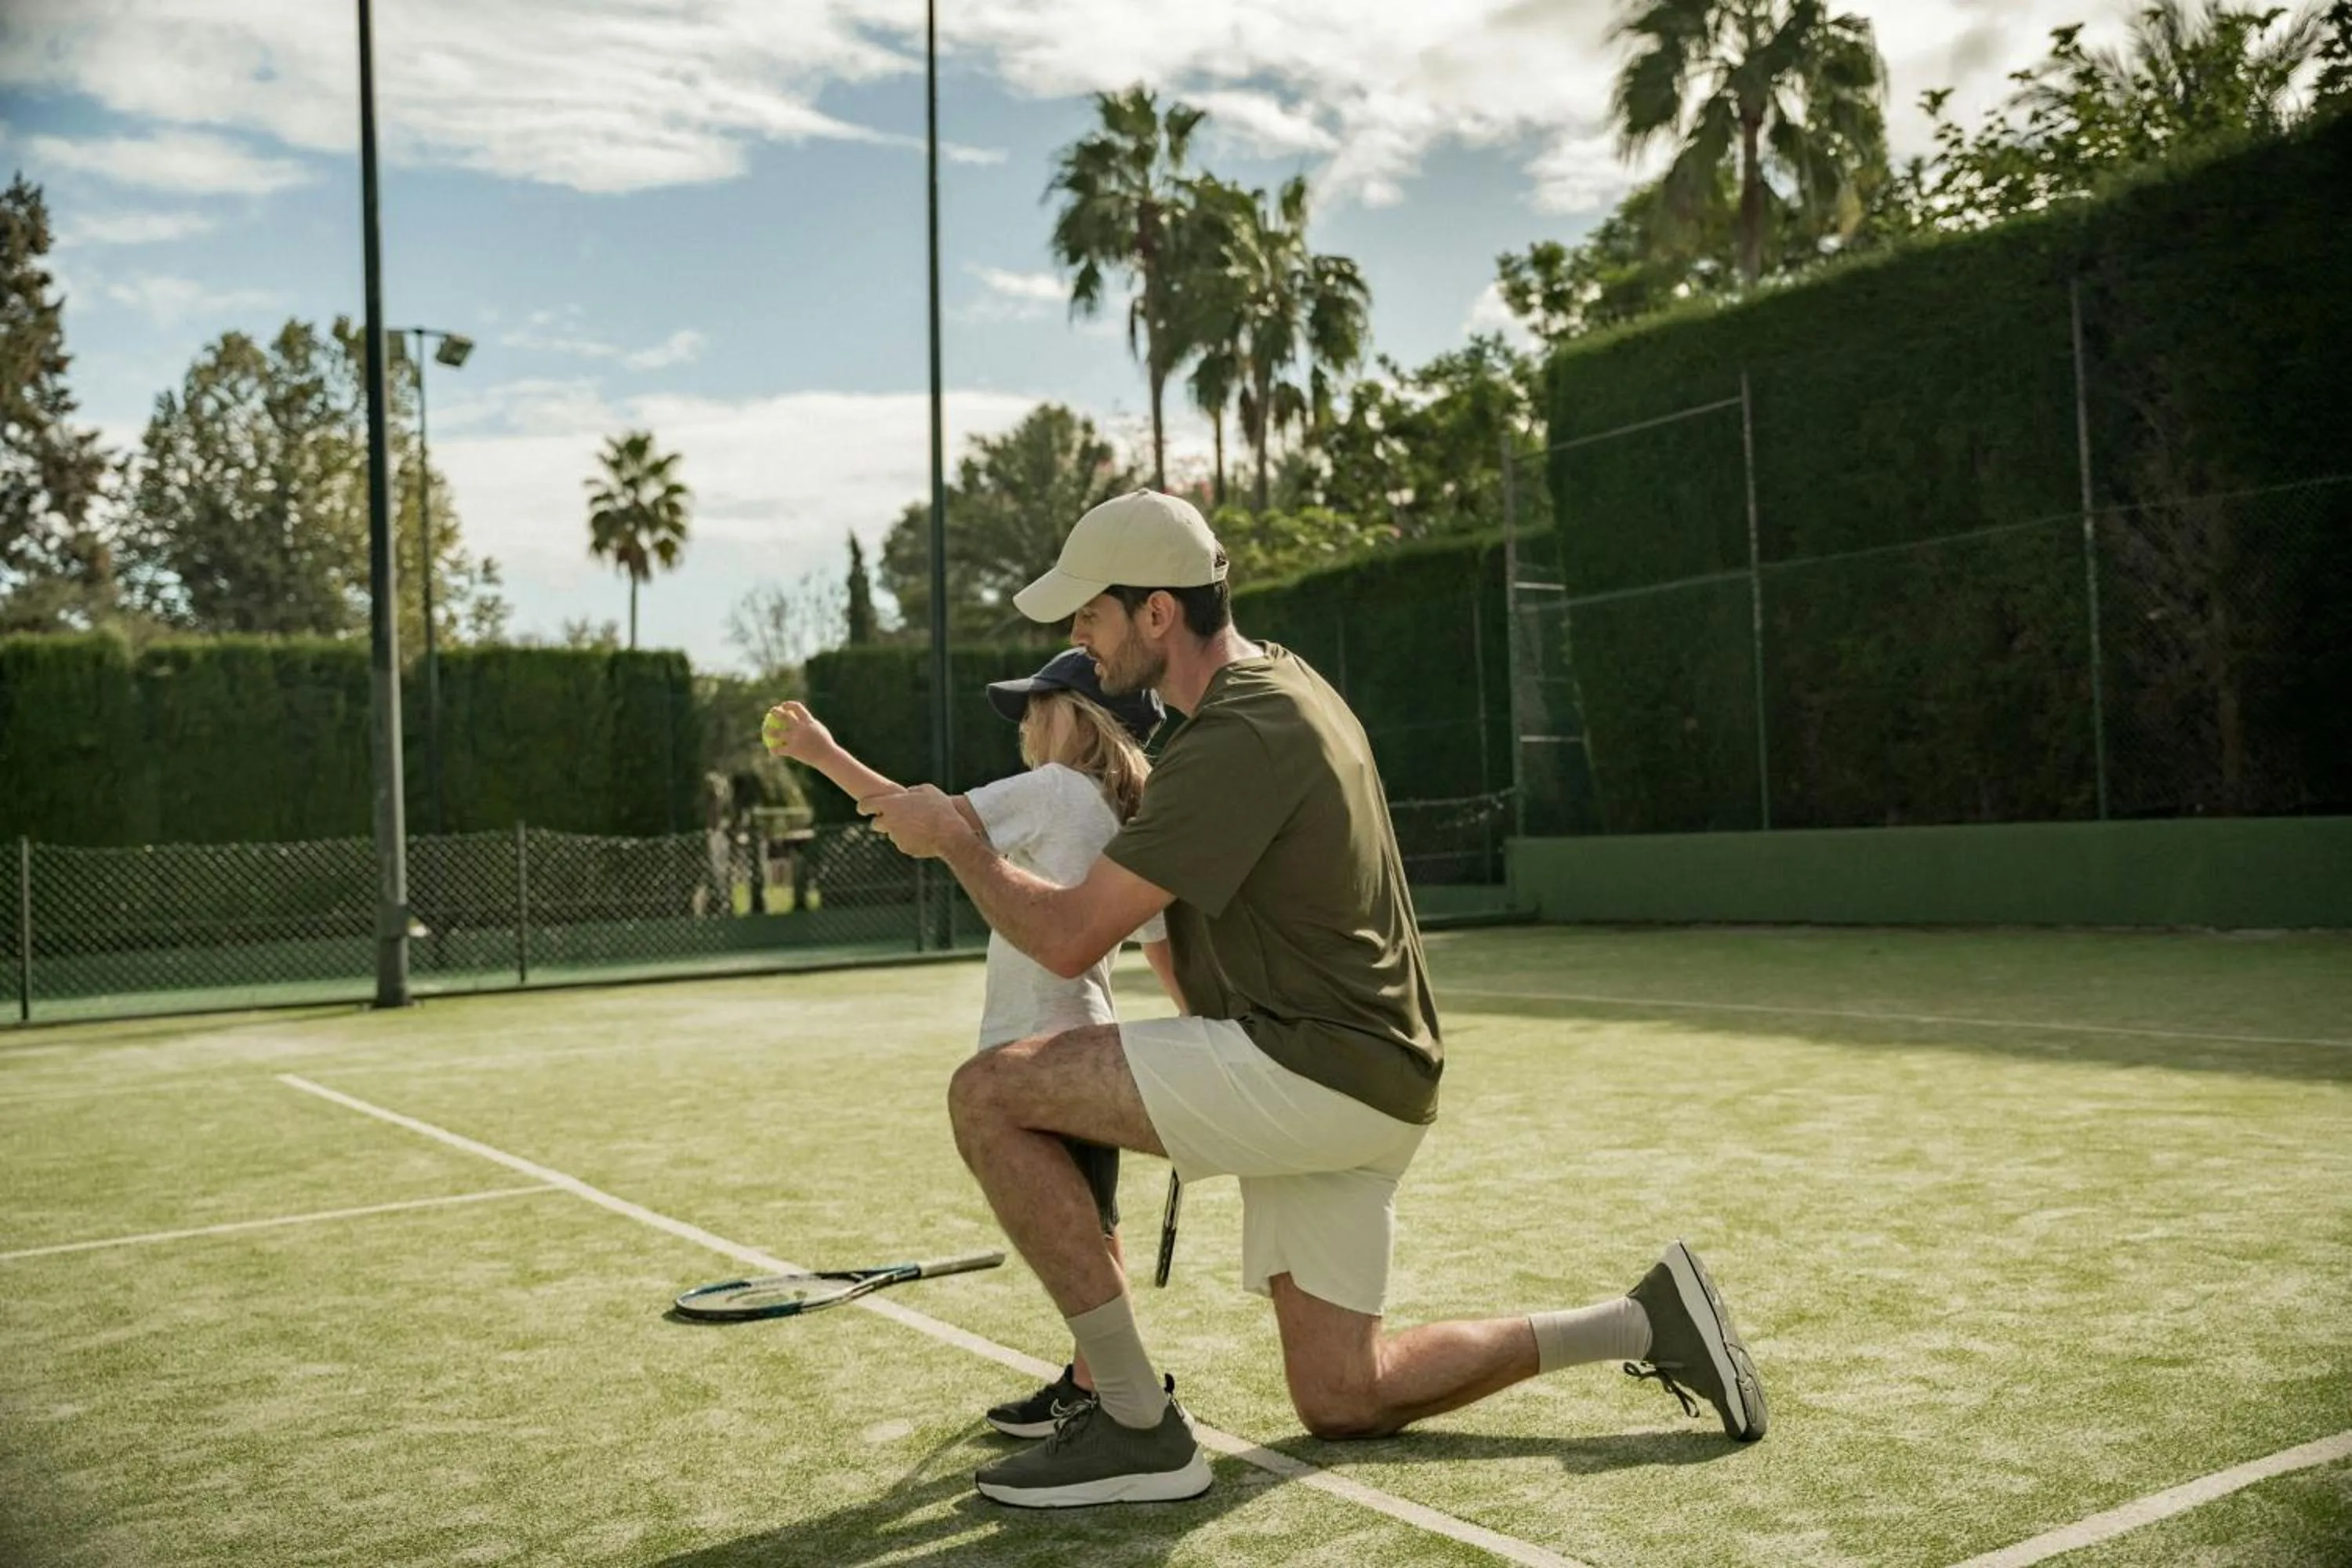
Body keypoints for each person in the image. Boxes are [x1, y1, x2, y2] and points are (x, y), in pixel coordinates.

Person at [862, 489, 1766, 1510]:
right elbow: (1204, 932)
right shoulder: (1286, 683)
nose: (1077, 636)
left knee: (990, 1093)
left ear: (1158, 613)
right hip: (1371, 1080)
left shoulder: (1237, 735)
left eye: (1091, 614)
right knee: (1345, 1394)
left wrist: (960, 842)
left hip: (1312, 1068)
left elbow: (1070, 935)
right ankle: (1642, 1322)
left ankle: (1128, 1419)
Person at [764, 648, 1186, 1427]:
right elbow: (1164, 948)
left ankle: (1117, 1397)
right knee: (1095, 1227)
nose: (1027, 720)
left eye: (1040, 703)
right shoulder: (1134, 815)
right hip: (1088, 1044)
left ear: (1081, 718)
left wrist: (821, 751)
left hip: (1039, 1049)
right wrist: (1204, 1035)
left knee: (1078, 1235)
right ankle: (1096, 1381)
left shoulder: (1057, 788)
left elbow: (921, 823)